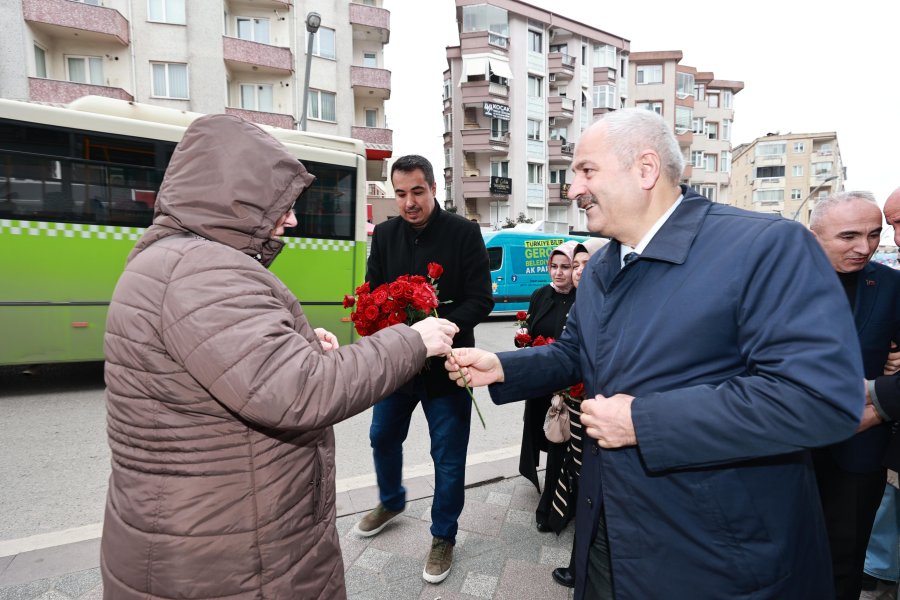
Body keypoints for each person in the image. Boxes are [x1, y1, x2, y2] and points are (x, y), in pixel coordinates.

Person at [446, 108, 865, 599]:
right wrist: (501, 366)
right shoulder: (601, 267)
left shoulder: (764, 248)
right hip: (608, 525)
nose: (573, 189)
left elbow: (821, 399)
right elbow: (578, 353)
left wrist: (645, 422)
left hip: (713, 554)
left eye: (586, 171)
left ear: (645, 169)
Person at [100, 114, 459, 600]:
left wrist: (293, 343)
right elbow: (299, 390)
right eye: (281, 204)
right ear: (236, 196)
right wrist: (412, 341)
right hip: (234, 550)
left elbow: (242, 365)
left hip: (207, 527)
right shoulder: (203, 272)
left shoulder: (174, 259)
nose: (290, 219)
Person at [351, 154, 493, 584]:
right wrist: (380, 318)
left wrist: (446, 325)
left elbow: (481, 298)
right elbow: (374, 288)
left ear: (433, 188)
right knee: (381, 436)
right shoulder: (388, 233)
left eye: (417, 192)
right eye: (400, 194)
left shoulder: (464, 233)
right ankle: (392, 500)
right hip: (398, 366)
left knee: (447, 457)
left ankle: (443, 535)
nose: (408, 202)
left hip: (447, 368)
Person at [807, 191, 900, 600]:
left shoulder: (892, 285)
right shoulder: (774, 284)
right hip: (786, 450)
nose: (865, 247)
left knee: (844, 564)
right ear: (814, 236)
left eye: (875, 234)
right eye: (849, 236)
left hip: (859, 452)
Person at [551, 237, 607, 589]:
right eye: (577, 264)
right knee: (578, 474)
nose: (578, 271)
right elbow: (568, 353)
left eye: (587, 264)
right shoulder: (584, 303)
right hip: (577, 407)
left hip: (605, 419)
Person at [515, 240, 578, 531]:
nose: (559, 272)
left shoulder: (583, 299)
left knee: (558, 443)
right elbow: (530, 327)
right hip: (540, 383)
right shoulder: (540, 295)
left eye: (565, 266)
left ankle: (551, 508)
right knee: (538, 433)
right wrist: (523, 339)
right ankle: (544, 483)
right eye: (554, 266)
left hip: (566, 389)